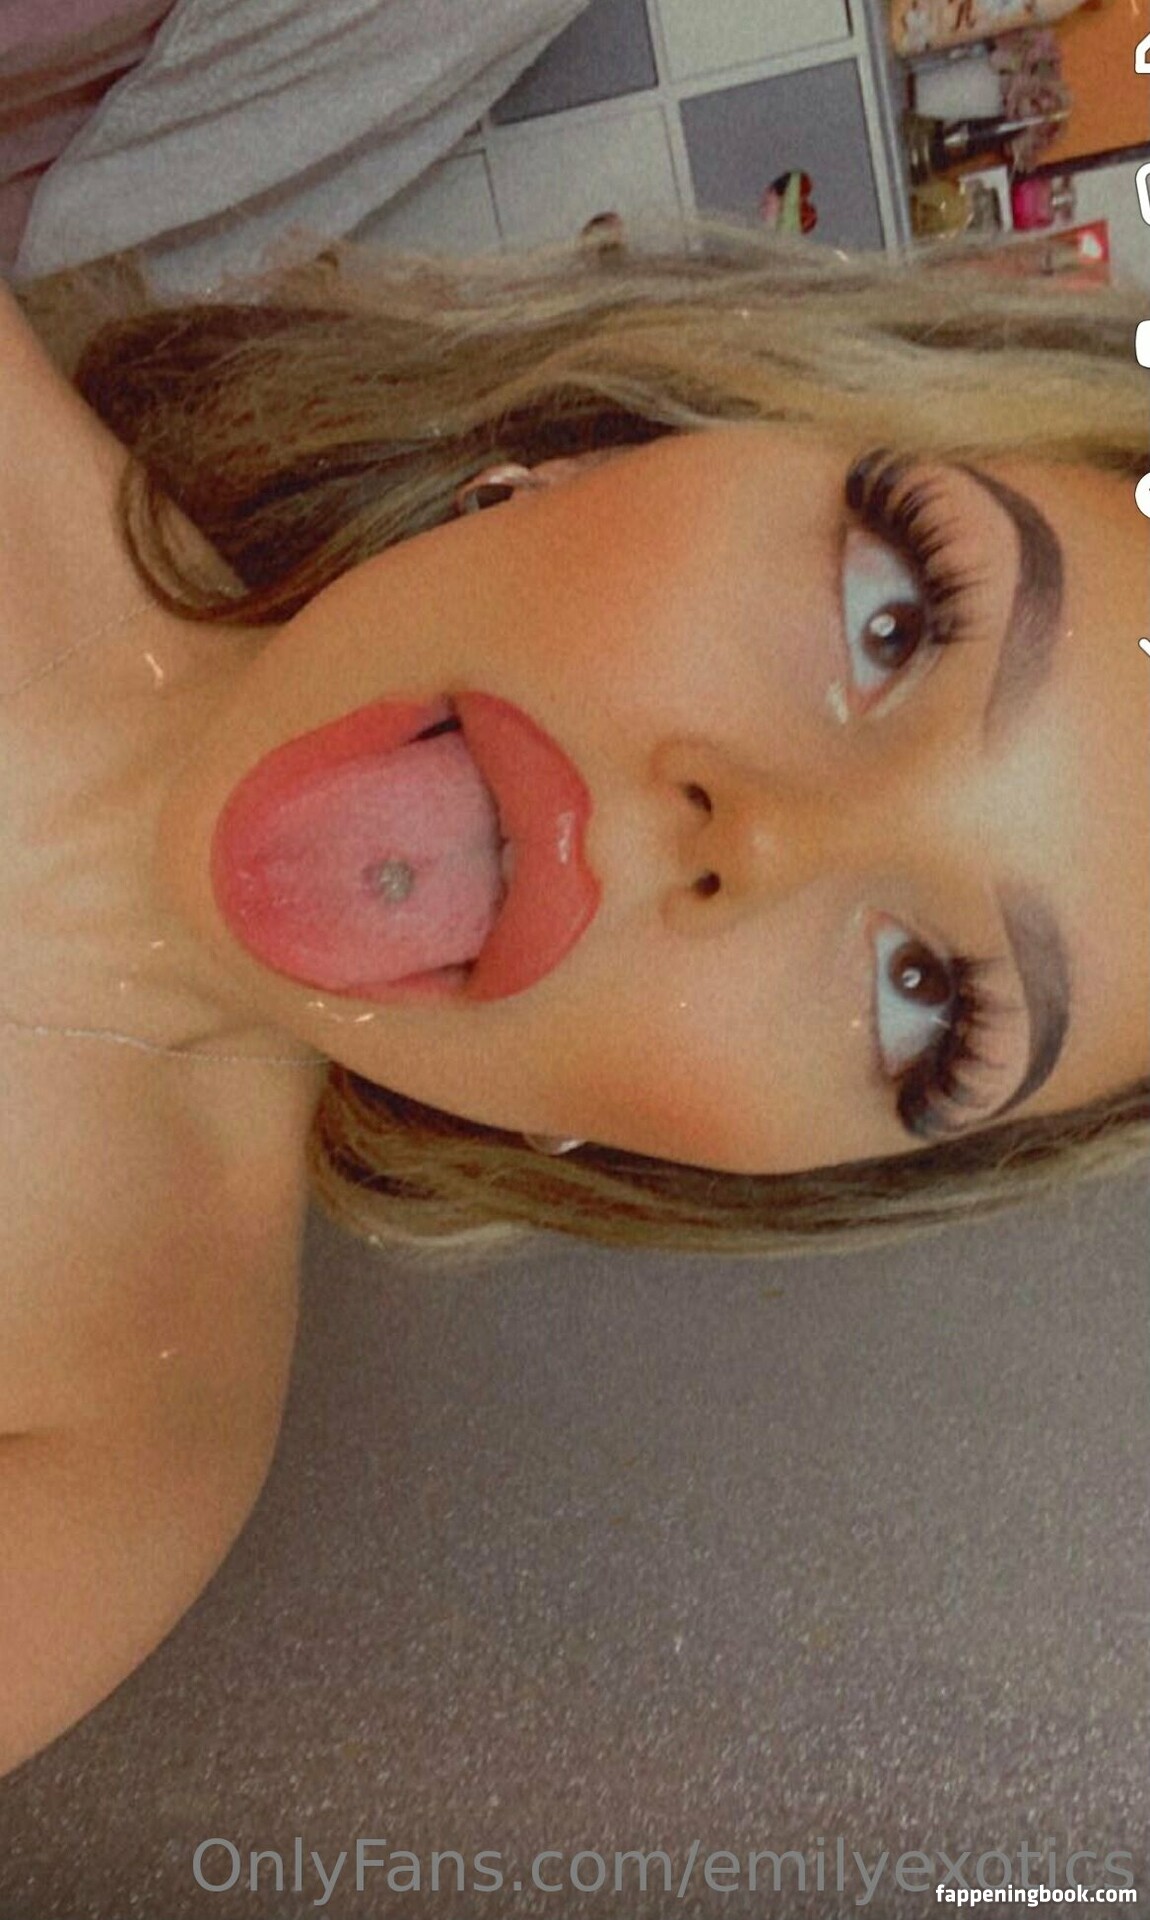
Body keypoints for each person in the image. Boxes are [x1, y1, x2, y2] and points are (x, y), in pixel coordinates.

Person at [0, 213, 1146, 1777]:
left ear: (684, 1164)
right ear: (610, 445)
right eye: (894, 620)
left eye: (920, 997)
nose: (763, 838)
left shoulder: (117, 1469)